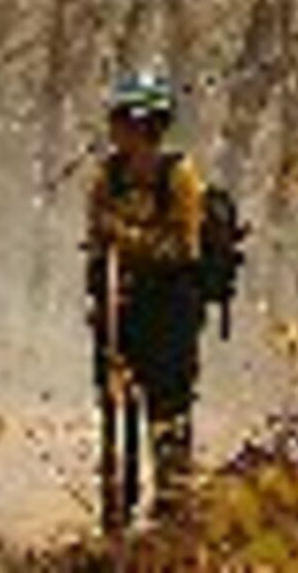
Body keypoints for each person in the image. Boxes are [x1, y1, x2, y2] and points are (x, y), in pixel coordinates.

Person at [85, 68, 211, 529]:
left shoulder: (180, 177)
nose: (116, 131)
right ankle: (116, 503)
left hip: (171, 307)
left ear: (146, 125)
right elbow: (96, 243)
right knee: (115, 404)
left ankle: (174, 508)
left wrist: (128, 238)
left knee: (169, 405)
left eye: (124, 121)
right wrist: (98, 297)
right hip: (121, 307)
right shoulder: (107, 177)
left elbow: (185, 247)